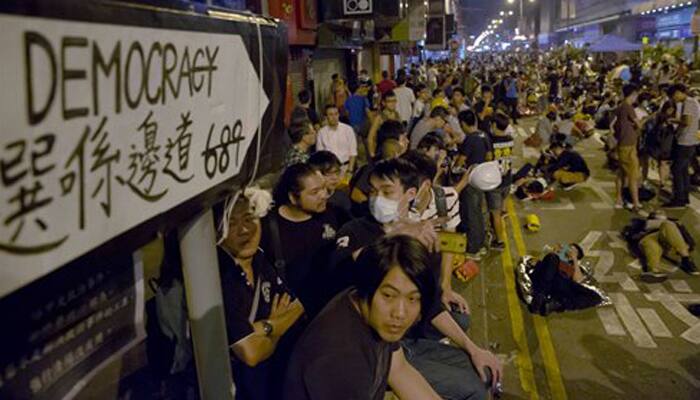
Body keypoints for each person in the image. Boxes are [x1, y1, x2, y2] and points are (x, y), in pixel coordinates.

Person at [332, 159, 503, 400]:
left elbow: (430, 303)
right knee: (472, 388)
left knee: (483, 373)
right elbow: (342, 267)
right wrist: (395, 234)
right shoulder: (353, 230)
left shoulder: (421, 238)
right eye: (373, 191)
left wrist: (473, 348)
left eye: (387, 191)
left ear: (410, 194)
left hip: (407, 339)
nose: (376, 198)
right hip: (376, 347)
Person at [283, 236, 443, 400]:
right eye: (389, 295)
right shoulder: (339, 356)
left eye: (412, 298)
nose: (400, 313)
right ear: (367, 286)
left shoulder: (375, 315)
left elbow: (399, 369)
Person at [216, 188, 305, 400]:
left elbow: (298, 306)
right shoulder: (217, 277)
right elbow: (251, 354)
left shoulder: (260, 259)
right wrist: (275, 327)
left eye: (249, 218)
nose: (244, 229)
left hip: (267, 384)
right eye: (232, 223)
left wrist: (267, 327)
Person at [263, 163, 340, 315]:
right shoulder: (268, 228)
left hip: (329, 309)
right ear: (293, 197)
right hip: (294, 315)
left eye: (324, 188)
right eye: (315, 192)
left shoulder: (335, 214)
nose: (324, 195)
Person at [529, 243, 603, 315]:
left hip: (562, 283)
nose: (569, 250)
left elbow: (577, 280)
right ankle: (539, 297)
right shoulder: (555, 256)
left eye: (574, 251)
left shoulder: (575, 267)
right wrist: (555, 252)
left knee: (596, 297)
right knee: (552, 258)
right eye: (569, 247)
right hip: (549, 276)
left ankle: (557, 305)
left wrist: (574, 259)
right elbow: (537, 262)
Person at [622, 212, 699, 281]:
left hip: (671, 243)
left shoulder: (674, 223)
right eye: (657, 213)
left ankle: (686, 259)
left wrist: (686, 246)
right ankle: (653, 270)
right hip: (649, 241)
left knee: (667, 225)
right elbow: (629, 234)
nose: (660, 212)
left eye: (661, 212)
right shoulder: (642, 223)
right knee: (649, 241)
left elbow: (689, 241)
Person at [456, 110, 491, 258]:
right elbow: (489, 156)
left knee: (472, 213)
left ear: (463, 124)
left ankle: (473, 248)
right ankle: (481, 243)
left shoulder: (470, 139)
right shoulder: (484, 135)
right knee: (477, 211)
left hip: (471, 180)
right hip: (482, 179)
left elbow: (461, 160)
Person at [665, 84, 700, 209]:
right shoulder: (692, 102)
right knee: (683, 170)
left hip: (685, 141)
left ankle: (679, 198)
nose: (673, 99)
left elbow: (687, 121)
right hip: (689, 141)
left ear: (679, 92)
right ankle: (684, 197)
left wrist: (673, 120)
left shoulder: (689, 103)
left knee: (677, 169)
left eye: (674, 95)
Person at [486, 112, 515, 251]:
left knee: (494, 213)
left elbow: (488, 158)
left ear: (494, 125)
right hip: (507, 179)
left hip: (495, 183)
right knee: (500, 209)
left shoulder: (490, 141)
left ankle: (499, 241)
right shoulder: (510, 139)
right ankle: (503, 213)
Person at [613, 83, 642, 211]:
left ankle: (619, 199)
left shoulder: (620, 107)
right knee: (632, 175)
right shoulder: (628, 107)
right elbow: (639, 124)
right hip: (629, 144)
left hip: (622, 143)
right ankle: (636, 202)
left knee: (622, 173)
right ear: (633, 94)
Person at [308, 150, 352, 224]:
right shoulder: (309, 200)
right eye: (329, 173)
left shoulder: (341, 199)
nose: (335, 178)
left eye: (337, 172)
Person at [316, 105, 358, 178]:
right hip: (329, 170)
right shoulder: (321, 133)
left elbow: (353, 152)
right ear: (326, 117)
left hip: (346, 167)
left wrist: (350, 171)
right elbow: (320, 155)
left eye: (336, 114)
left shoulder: (348, 129)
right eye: (331, 114)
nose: (334, 117)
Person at [367, 90, 402, 157]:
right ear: (384, 103)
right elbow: (370, 137)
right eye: (389, 101)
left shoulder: (397, 115)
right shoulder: (379, 118)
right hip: (383, 152)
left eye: (394, 101)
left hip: (395, 151)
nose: (393, 104)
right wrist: (372, 154)